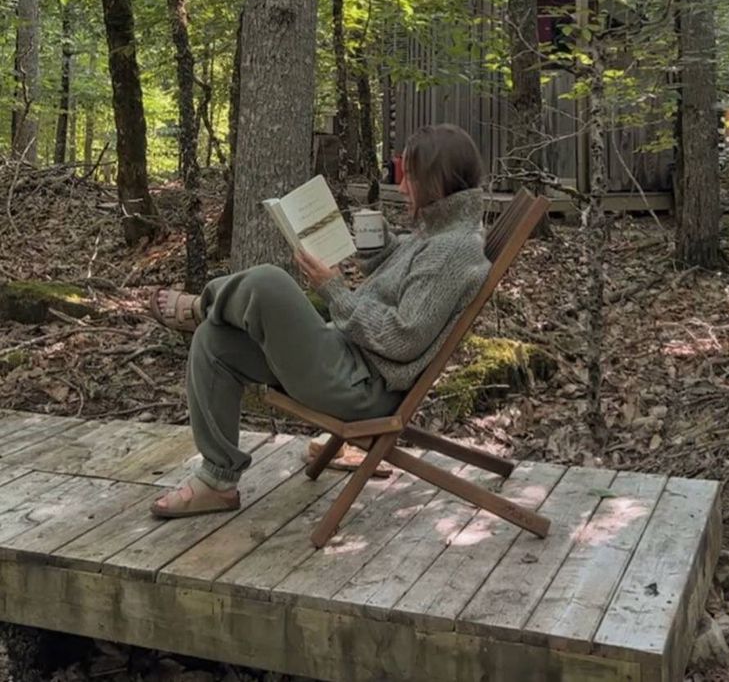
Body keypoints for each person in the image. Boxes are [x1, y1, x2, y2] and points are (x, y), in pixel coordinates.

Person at [148, 123, 490, 518]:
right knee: (214, 342)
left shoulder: (453, 249)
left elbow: (404, 337)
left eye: (408, 176)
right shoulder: (437, 233)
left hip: (360, 386)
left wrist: (334, 290)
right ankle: (217, 481)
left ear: (436, 180)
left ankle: (199, 305)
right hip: (343, 358)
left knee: (269, 283)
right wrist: (375, 243)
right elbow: (400, 283)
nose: (402, 186)